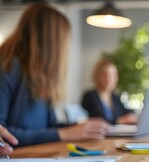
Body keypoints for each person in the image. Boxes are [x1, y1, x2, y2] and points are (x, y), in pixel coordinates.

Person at [0, 2, 111, 147]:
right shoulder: (8, 67)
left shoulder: (41, 77)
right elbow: (3, 135)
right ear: (49, 43)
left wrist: (81, 128)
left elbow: (49, 125)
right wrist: (63, 134)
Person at [81, 57, 137, 124]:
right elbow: (98, 121)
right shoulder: (90, 96)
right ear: (97, 76)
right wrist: (119, 121)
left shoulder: (115, 97)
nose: (108, 78)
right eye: (104, 74)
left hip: (116, 133)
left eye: (112, 75)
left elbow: (126, 112)